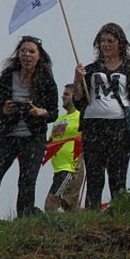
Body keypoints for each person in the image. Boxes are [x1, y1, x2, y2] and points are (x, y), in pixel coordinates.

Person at [73, 23, 130, 210]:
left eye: (110, 40)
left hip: (119, 126)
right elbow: (78, 100)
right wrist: (77, 79)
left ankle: (118, 213)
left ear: (120, 43)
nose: (105, 45)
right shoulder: (91, 69)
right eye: (102, 41)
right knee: (94, 175)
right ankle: (92, 214)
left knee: (118, 175)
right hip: (93, 125)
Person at [0, 36, 58, 218]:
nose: (27, 55)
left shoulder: (46, 81)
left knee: (27, 181)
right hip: (8, 135)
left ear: (39, 57)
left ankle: (24, 219)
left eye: (31, 52)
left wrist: (40, 112)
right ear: (18, 54)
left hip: (33, 137)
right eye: (23, 51)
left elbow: (54, 113)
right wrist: (5, 110)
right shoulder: (6, 78)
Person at [45, 84, 84, 212]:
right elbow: (51, 142)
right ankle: (90, 221)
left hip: (71, 168)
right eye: (63, 94)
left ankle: (50, 230)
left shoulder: (81, 117)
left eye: (67, 94)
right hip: (58, 169)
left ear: (76, 97)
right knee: (71, 207)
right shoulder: (59, 119)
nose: (63, 97)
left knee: (51, 201)